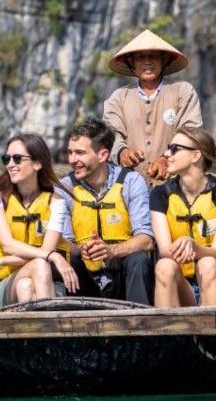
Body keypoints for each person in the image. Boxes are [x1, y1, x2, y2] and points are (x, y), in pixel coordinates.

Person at [57, 117, 155, 305]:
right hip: (84, 280)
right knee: (69, 260)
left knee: (139, 259)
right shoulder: (64, 188)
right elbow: (64, 243)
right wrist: (81, 249)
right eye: (70, 153)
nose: (72, 160)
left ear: (102, 155)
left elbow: (146, 240)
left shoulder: (131, 181)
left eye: (79, 153)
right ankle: (77, 327)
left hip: (123, 277)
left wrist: (111, 250)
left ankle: (141, 325)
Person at [0, 133, 79, 311]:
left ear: (37, 164)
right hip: (3, 285)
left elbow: (46, 249)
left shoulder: (56, 202)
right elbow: (8, 245)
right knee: (40, 263)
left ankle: (33, 335)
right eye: (6, 159)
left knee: (25, 286)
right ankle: (51, 331)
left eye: (17, 159)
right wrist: (52, 256)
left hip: (45, 282)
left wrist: (0, 262)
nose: (10, 165)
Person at [150, 127, 216, 307]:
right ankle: (168, 333)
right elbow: (164, 251)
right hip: (184, 284)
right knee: (164, 266)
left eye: (174, 149)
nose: (166, 154)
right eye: (168, 147)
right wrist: (181, 248)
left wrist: (193, 246)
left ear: (195, 156)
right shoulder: (160, 195)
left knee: (207, 263)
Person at [103, 29, 203, 188]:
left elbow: (190, 132)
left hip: (175, 186)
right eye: (141, 57)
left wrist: (166, 158)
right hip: (128, 187)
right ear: (132, 63)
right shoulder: (119, 97)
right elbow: (111, 133)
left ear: (164, 60)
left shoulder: (182, 92)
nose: (147, 61)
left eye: (153, 56)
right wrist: (123, 153)